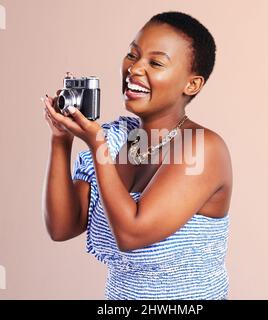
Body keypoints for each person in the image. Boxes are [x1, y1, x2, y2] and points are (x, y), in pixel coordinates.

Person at [42, 11, 233, 300]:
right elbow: (62, 226)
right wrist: (60, 139)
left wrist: (97, 145)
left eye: (155, 63)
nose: (134, 68)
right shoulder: (120, 139)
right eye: (133, 55)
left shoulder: (202, 148)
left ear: (191, 84)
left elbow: (131, 235)